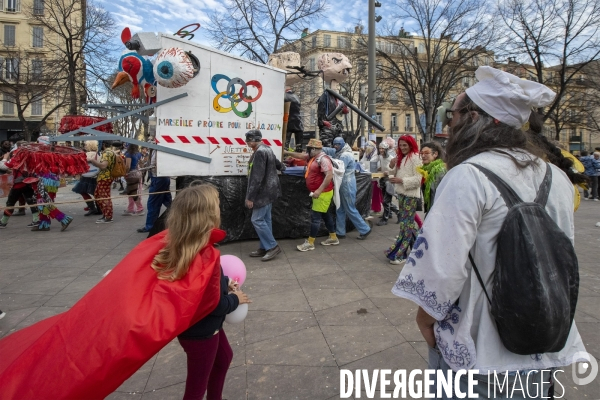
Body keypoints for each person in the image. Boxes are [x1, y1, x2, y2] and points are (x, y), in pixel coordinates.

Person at [393, 66, 586, 398]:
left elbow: (441, 269)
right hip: (549, 336)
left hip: (483, 351)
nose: (448, 124)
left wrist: (425, 320)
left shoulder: (467, 175)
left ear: (473, 118)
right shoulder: (556, 176)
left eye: (451, 115)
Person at [0, 184, 225, 399]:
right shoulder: (206, 256)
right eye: (217, 206)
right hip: (203, 331)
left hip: (197, 330)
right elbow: (211, 303)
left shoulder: (164, 242)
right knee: (196, 388)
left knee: (222, 361)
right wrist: (233, 297)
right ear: (207, 217)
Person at [177, 261, 251, 400]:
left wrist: (226, 280)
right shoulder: (201, 259)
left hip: (204, 327)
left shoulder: (196, 254)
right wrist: (235, 298)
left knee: (223, 358)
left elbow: (210, 282)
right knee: (196, 389)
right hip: (201, 334)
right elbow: (216, 304)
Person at [284, 139, 338, 251]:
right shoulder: (314, 157)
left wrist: (318, 190)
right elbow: (302, 156)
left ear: (314, 149)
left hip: (322, 193)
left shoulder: (323, 159)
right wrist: (286, 152)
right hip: (321, 192)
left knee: (315, 218)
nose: (306, 151)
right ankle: (333, 237)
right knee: (325, 215)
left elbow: (329, 175)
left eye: (308, 149)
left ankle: (310, 242)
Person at [321, 136, 372, 239]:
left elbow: (338, 168)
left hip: (347, 185)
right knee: (340, 208)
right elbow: (328, 150)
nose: (335, 146)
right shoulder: (340, 152)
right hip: (342, 184)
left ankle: (364, 229)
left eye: (338, 144)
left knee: (349, 209)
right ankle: (340, 231)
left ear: (343, 144)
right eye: (334, 144)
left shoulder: (345, 155)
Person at [384, 135, 422, 265]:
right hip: (401, 193)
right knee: (408, 224)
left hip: (410, 195)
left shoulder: (416, 158)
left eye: (405, 145)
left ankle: (401, 254)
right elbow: (393, 172)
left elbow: (418, 180)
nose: (402, 147)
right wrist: (391, 164)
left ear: (411, 145)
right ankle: (420, 249)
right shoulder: (402, 157)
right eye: (400, 145)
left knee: (405, 225)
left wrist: (401, 181)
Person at [245, 130, 282, 261]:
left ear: (254, 140)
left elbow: (256, 177)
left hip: (262, 193)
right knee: (266, 220)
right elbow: (276, 162)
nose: (247, 143)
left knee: (257, 220)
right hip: (270, 191)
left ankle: (272, 247)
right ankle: (265, 246)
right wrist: (283, 167)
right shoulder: (267, 148)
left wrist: (250, 197)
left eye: (249, 140)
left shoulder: (260, 152)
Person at [0, 149, 39, 229]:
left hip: (18, 184)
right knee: (31, 202)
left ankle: (3, 222)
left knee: (10, 203)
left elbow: (3, 166)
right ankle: (36, 220)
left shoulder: (17, 158)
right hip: (28, 183)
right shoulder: (30, 158)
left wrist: (5, 158)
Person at [137, 148, 172, 233]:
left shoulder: (159, 150)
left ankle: (150, 226)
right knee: (168, 202)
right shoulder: (155, 150)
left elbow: (157, 164)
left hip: (159, 178)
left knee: (153, 203)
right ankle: (178, 219)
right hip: (160, 177)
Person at [89, 140, 116, 224]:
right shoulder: (109, 152)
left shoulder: (107, 153)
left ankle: (108, 216)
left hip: (105, 178)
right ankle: (106, 214)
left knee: (104, 197)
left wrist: (92, 160)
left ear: (103, 144)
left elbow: (103, 166)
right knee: (98, 195)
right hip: (104, 177)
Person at [74, 141, 102, 216]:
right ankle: (99, 208)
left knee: (83, 191)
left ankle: (92, 208)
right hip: (95, 175)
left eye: (86, 145)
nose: (85, 146)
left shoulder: (87, 154)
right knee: (96, 193)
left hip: (86, 175)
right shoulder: (99, 154)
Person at [418, 141, 446, 214]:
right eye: (421, 153)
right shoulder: (426, 170)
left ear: (435, 154)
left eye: (426, 153)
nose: (423, 156)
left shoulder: (440, 171)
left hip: (438, 212)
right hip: (431, 210)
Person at [376, 141, 399, 225]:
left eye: (383, 148)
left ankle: (385, 219)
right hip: (382, 180)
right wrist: (379, 169)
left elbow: (394, 171)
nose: (381, 150)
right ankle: (391, 213)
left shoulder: (391, 158)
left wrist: (388, 173)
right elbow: (382, 167)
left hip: (389, 181)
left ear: (386, 149)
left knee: (386, 201)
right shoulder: (381, 157)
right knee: (385, 200)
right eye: (380, 148)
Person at [360, 141, 382, 215]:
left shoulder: (375, 156)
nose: (365, 149)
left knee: (375, 194)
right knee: (370, 194)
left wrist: (363, 168)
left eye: (366, 147)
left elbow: (372, 166)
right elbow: (362, 162)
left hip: (375, 177)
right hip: (368, 176)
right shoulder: (367, 154)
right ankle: (371, 208)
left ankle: (377, 209)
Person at [123, 144, 145, 216]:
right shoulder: (138, 154)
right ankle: (130, 208)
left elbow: (127, 166)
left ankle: (139, 209)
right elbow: (141, 163)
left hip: (131, 174)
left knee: (132, 192)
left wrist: (125, 173)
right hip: (138, 173)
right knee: (131, 192)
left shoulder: (129, 154)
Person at [284, 87, 303, 151]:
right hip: (298, 121)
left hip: (289, 121)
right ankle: (299, 150)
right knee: (299, 144)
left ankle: (285, 152)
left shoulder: (284, 96)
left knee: (286, 142)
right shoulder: (297, 97)